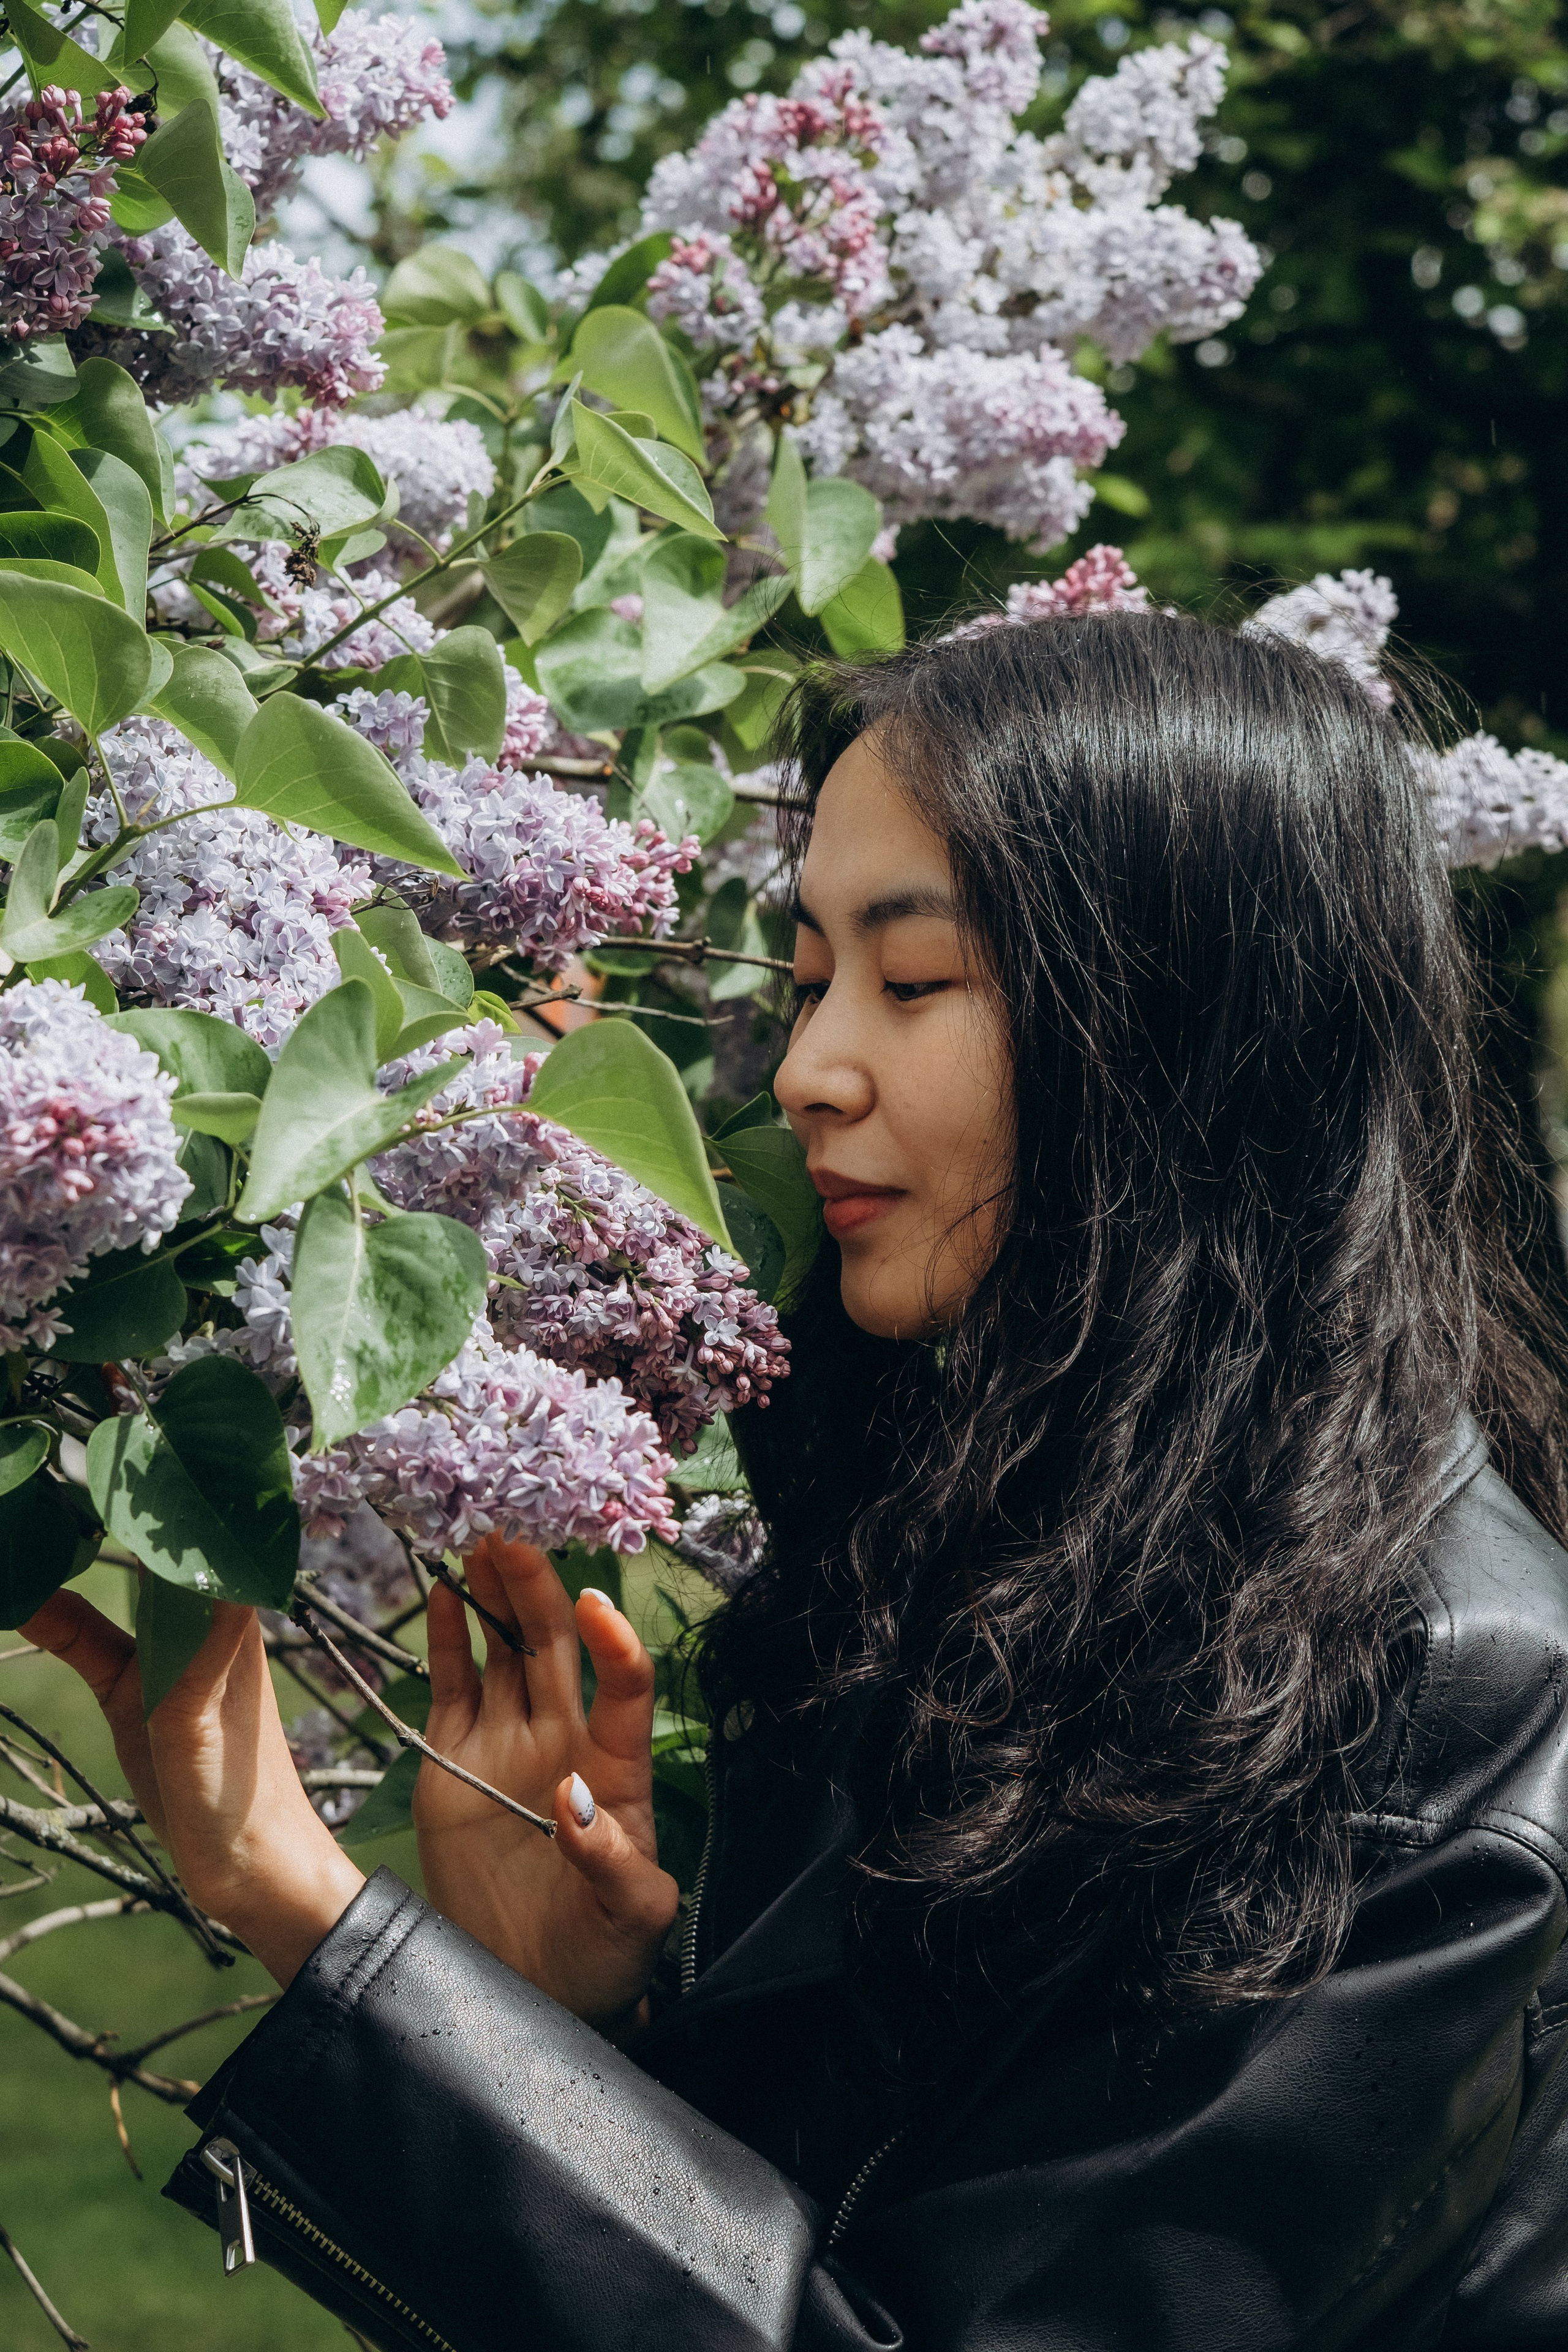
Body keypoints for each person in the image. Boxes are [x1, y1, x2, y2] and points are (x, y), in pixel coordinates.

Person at [26, 609, 1568, 2351]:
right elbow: (852, 2213)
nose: (812, 1067)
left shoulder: (1444, 1703)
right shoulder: (999, 1524)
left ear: (1185, 1029)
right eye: (817, 968)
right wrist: (566, 2025)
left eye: (911, 982)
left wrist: (312, 1912)